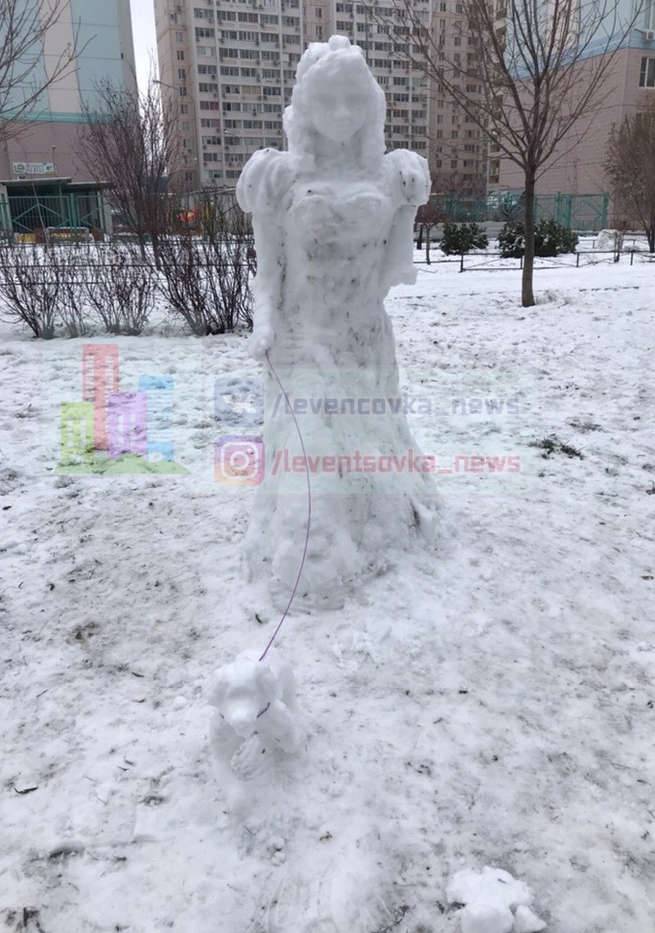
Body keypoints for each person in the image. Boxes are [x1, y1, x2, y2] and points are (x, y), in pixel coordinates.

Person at [236, 36, 439, 607]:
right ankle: (306, 562)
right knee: (311, 461)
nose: (343, 114)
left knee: (366, 446)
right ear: (305, 107)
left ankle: (376, 539)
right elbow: (268, 271)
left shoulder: (395, 175)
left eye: (355, 100)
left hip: (366, 342)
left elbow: (396, 263)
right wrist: (264, 323)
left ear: (372, 104)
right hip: (302, 341)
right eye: (329, 101)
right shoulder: (276, 179)